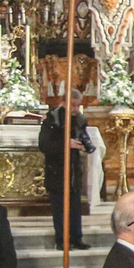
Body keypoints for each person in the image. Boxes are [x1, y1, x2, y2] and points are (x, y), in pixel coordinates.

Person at [39, 87, 90, 251]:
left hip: (73, 170)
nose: (75, 109)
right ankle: (61, 239)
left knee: (75, 206)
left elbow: (85, 139)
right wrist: (66, 144)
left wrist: (85, 145)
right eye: (73, 105)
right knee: (60, 207)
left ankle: (76, 238)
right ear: (64, 102)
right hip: (57, 170)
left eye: (78, 106)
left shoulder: (80, 120)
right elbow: (44, 144)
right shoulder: (52, 119)